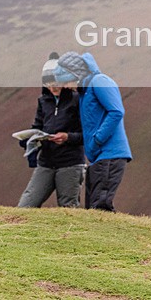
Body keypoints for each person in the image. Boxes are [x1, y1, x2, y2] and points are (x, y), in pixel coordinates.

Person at [54, 51, 132, 212]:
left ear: (75, 74)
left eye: (66, 82)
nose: (67, 87)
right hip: (98, 157)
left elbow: (116, 111)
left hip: (110, 154)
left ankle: (111, 236)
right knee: (93, 209)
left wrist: (97, 140)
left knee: (100, 206)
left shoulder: (99, 82)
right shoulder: (85, 91)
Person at [18, 52, 86, 208]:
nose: (53, 87)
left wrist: (67, 137)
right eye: (48, 83)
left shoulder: (77, 100)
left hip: (71, 164)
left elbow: (87, 134)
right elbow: (37, 127)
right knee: (26, 205)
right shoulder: (43, 101)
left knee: (68, 209)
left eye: (56, 82)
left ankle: (70, 234)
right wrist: (29, 139)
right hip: (46, 163)